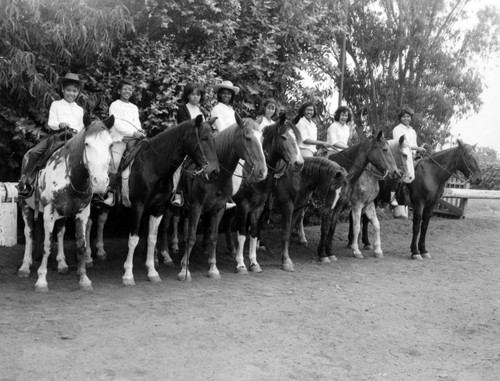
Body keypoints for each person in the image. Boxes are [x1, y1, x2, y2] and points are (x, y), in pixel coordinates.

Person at [18, 73, 85, 198]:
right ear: (63, 90)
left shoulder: (79, 109)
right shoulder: (56, 104)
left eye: (74, 91)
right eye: (69, 90)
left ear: (78, 92)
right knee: (34, 153)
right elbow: (51, 123)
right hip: (58, 135)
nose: (71, 93)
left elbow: (82, 127)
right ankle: (27, 180)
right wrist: (60, 124)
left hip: (75, 138)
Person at [103, 78, 145, 206]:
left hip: (135, 139)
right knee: (115, 162)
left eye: (130, 89)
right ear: (119, 91)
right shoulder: (115, 105)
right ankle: (108, 192)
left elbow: (136, 122)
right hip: (120, 139)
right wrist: (133, 133)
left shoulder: (134, 107)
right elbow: (117, 124)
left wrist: (139, 130)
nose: (128, 91)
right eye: (125, 89)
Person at [171, 83, 208, 207]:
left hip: (200, 144)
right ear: (187, 95)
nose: (195, 97)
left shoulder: (202, 111)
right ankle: (178, 192)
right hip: (185, 143)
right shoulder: (182, 109)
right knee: (180, 165)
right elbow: (185, 128)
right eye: (193, 94)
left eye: (198, 94)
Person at [210, 80, 242, 209]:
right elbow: (222, 128)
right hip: (222, 141)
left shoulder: (231, 110)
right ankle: (225, 195)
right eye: (224, 94)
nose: (226, 96)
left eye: (229, 94)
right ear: (220, 95)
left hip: (233, 141)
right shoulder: (217, 109)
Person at [390, 106, 426, 207]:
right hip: (401, 155)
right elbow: (401, 144)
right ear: (400, 118)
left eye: (408, 116)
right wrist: (418, 148)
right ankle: (393, 196)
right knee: (397, 172)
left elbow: (413, 145)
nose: (406, 118)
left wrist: (418, 151)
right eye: (404, 116)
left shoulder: (413, 131)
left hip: (412, 155)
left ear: (411, 118)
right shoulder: (397, 129)